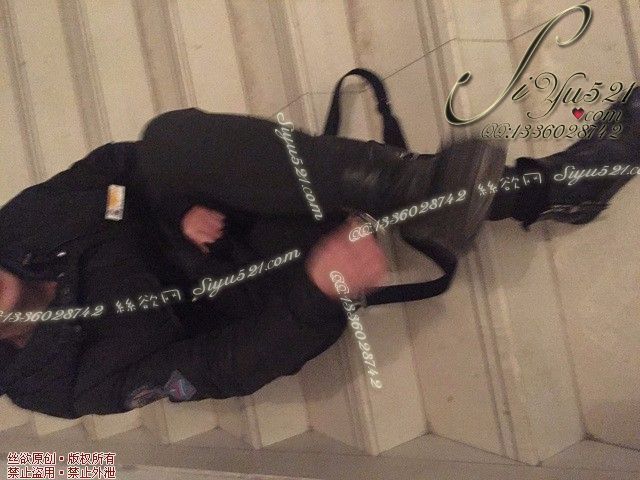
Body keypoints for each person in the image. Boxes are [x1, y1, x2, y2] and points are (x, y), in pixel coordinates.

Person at [0, 87, 637, 419]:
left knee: (167, 143)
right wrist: (315, 290)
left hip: (237, 194)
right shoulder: (47, 383)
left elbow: (116, 171)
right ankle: (543, 190)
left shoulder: (16, 225)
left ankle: (419, 185)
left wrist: (162, 208)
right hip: (263, 288)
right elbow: (213, 369)